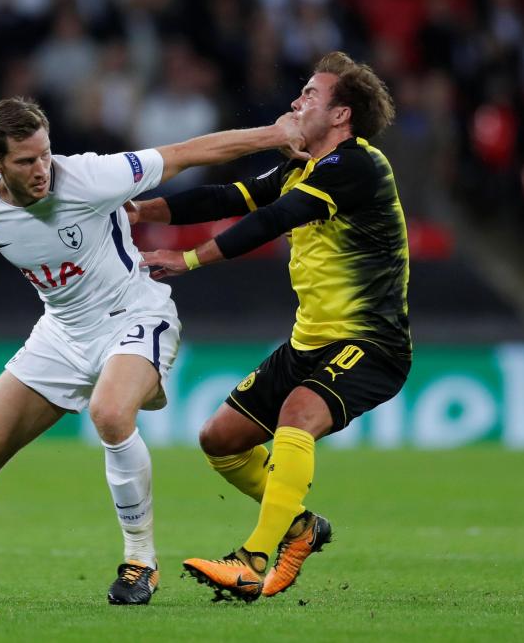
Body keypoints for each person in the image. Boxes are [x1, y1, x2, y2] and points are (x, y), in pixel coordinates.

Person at [0, 97, 304, 605]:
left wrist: (277, 135)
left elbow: (187, 152)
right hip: (59, 335)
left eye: (45, 155)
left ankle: (140, 562)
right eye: (26, 161)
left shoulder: (89, 176)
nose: (42, 171)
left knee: (109, 412)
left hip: (135, 316)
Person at [134, 51, 411, 602]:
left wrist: (188, 261)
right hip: (309, 341)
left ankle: (253, 558)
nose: (295, 101)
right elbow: (227, 198)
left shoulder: (359, 165)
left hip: (370, 344)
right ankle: (302, 528)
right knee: (221, 440)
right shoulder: (298, 166)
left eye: (310, 93)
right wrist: (143, 212)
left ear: (341, 115)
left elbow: (271, 220)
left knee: (297, 414)